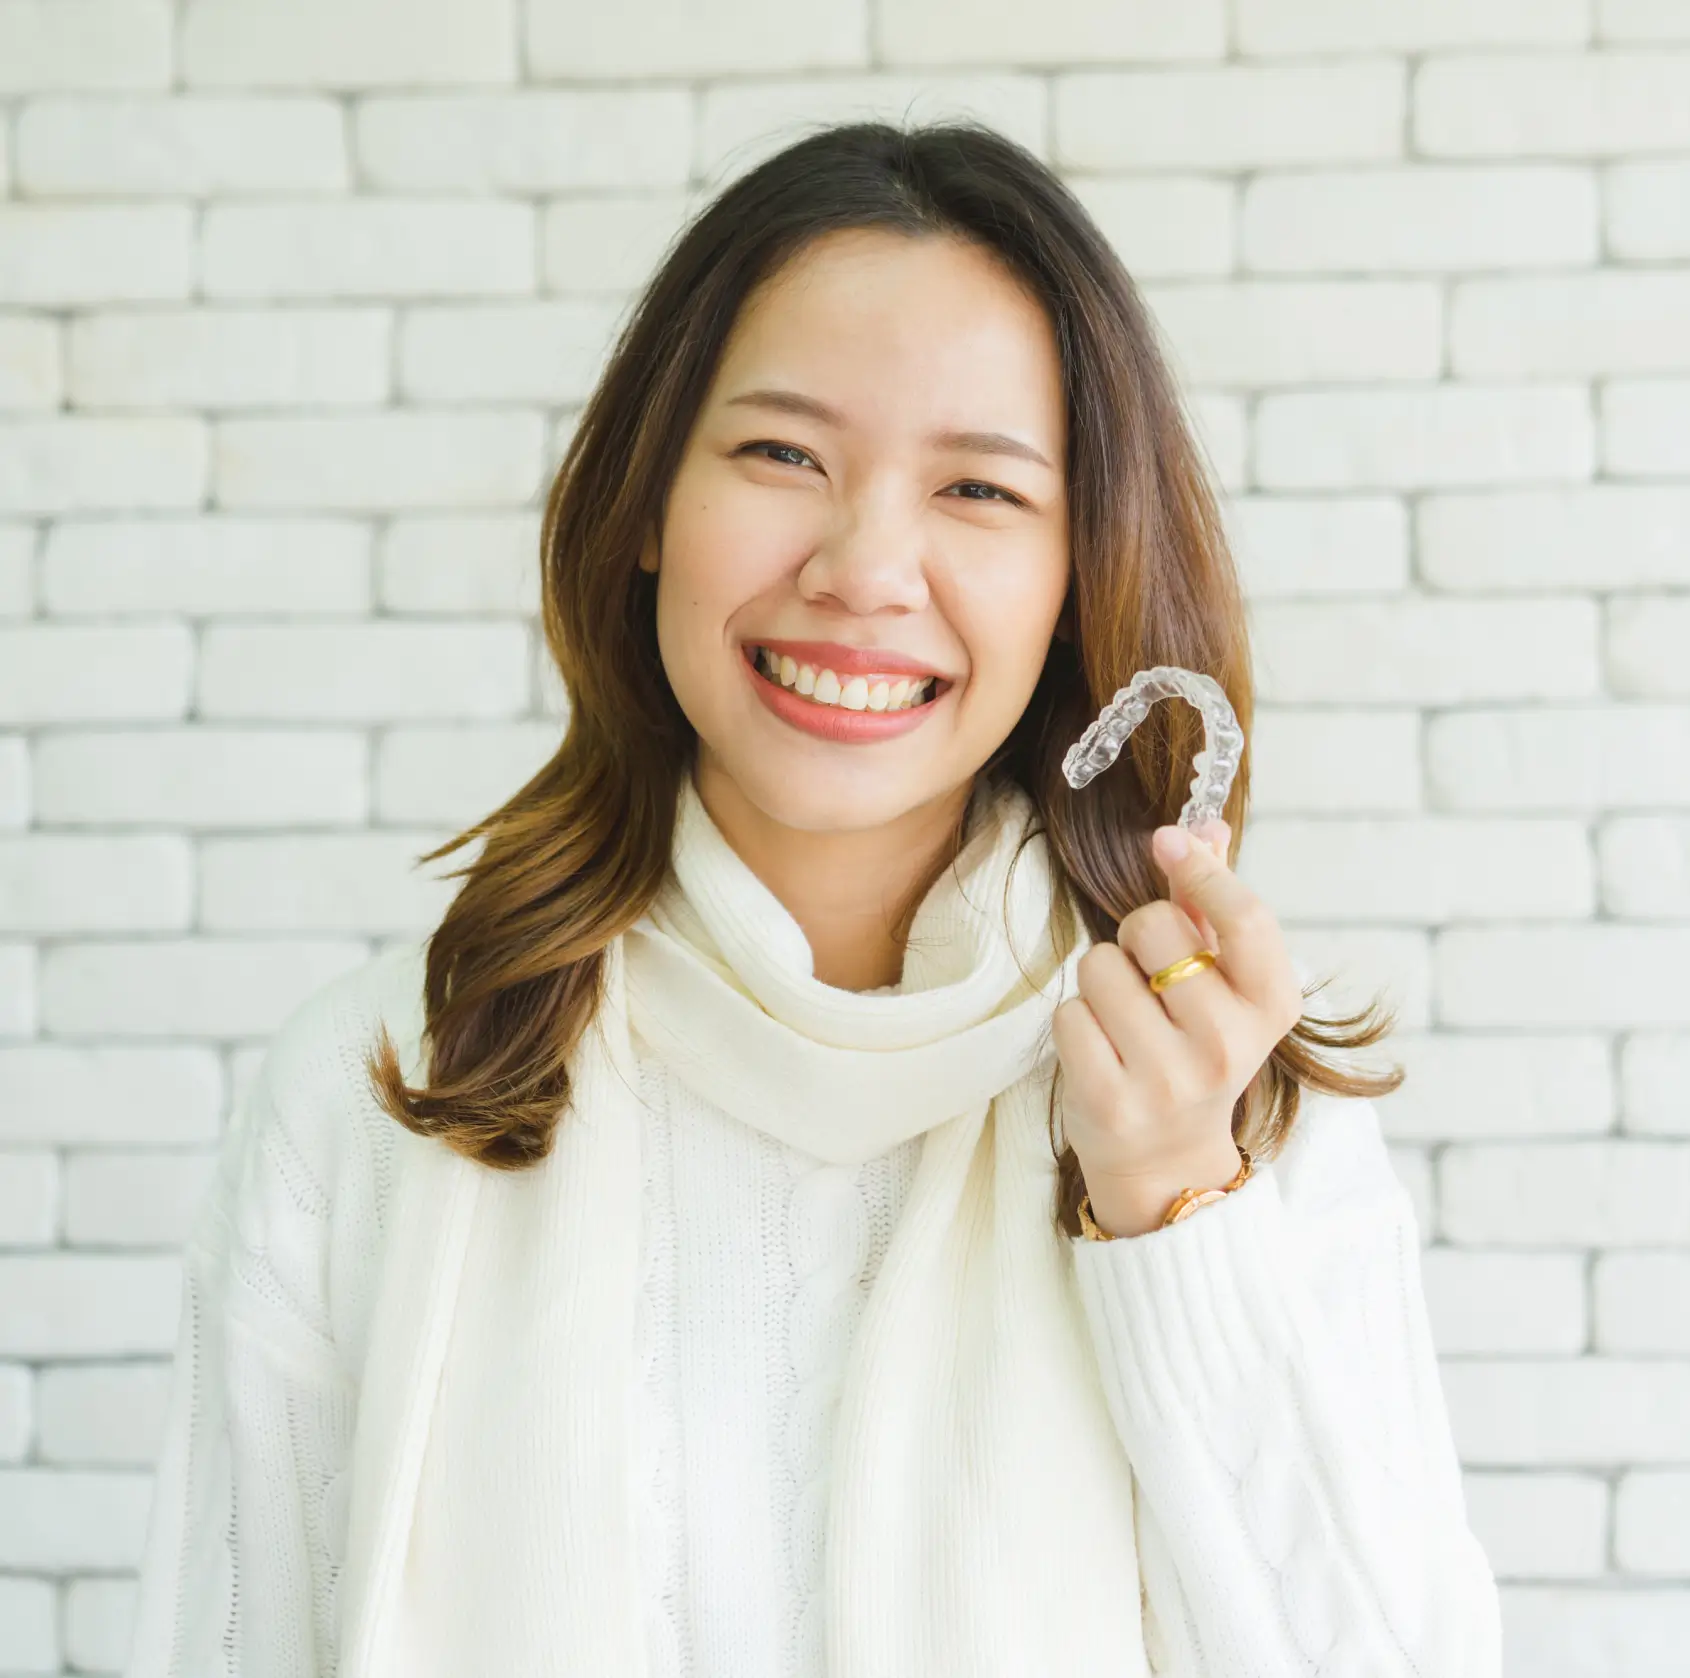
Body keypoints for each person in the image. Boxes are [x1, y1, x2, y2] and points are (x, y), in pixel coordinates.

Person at [123, 120, 1501, 1677]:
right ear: (646, 504)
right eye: (782, 455)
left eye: (977, 487)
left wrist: (1174, 1205)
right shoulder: (380, 1088)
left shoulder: (1231, 1100)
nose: (864, 567)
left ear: (1074, 574)